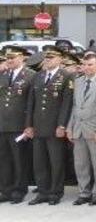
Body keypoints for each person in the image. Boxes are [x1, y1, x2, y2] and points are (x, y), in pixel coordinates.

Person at [26, 45, 75, 205]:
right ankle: (43, 192)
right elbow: (31, 103)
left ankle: (55, 192)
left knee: (56, 162)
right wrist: (29, 125)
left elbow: (67, 103)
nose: (48, 60)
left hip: (55, 126)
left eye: (51, 58)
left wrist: (62, 125)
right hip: (38, 125)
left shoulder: (66, 76)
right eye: (46, 58)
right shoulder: (38, 76)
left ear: (60, 59)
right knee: (39, 162)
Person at [67, 52, 96, 206]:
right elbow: (75, 106)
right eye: (84, 65)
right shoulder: (78, 81)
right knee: (80, 164)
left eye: (90, 64)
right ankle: (84, 192)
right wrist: (70, 127)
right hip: (78, 128)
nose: (86, 67)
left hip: (94, 129)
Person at [0, 46, 36, 204]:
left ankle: (19, 190)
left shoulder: (30, 76)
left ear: (22, 58)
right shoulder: (3, 75)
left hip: (19, 126)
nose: (9, 61)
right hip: (2, 124)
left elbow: (31, 104)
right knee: (4, 159)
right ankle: (6, 190)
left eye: (12, 58)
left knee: (19, 159)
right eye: (7, 58)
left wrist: (29, 125)